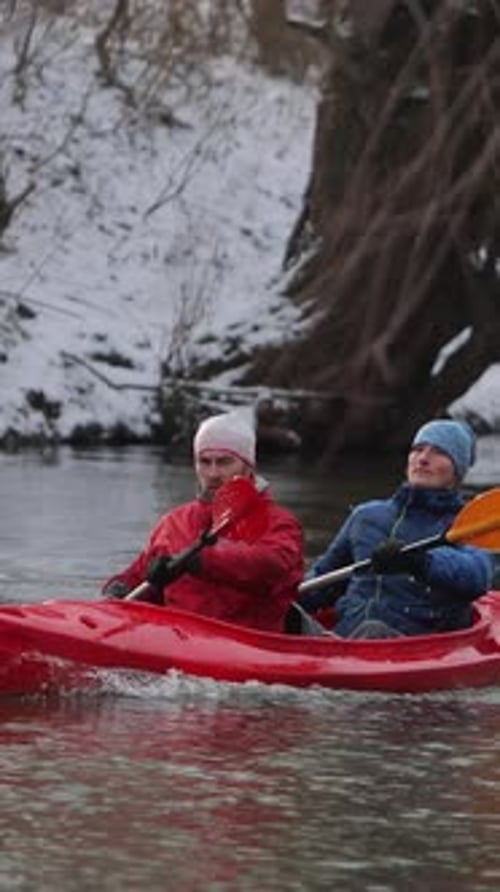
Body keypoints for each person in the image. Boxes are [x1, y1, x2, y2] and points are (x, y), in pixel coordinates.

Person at [102, 410, 304, 632]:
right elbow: (141, 574)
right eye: (205, 462)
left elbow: (272, 564)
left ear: (248, 467)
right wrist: (119, 587)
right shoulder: (174, 522)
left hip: (244, 641)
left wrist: (203, 561)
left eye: (224, 462)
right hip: (176, 637)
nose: (213, 473)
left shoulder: (279, 522)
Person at [299, 419, 494, 638]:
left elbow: (477, 575)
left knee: (372, 630)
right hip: (342, 637)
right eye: (418, 449)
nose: (422, 459)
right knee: (290, 613)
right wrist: (281, 597)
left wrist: (419, 562)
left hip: (413, 643)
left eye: (438, 452)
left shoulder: (465, 525)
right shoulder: (366, 516)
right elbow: (324, 579)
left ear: (457, 470)